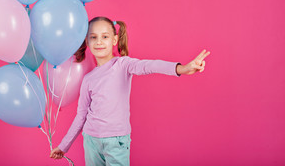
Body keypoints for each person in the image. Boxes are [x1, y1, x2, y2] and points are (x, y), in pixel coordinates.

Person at [50, 16, 210, 165]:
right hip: (91, 140)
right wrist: (63, 146)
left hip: (116, 141)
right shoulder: (88, 79)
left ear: (114, 40)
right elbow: (81, 115)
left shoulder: (123, 65)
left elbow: (149, 65)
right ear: (87, 41)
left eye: (105, 37)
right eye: (93, 37)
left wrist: (181, 69)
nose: (99, 42)